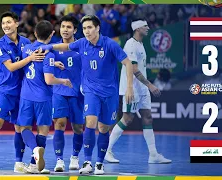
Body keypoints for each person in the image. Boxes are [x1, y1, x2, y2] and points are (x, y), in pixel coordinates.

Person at [40, 15, 134, 175]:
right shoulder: (82, 43)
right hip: (90, 91)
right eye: (84, 28)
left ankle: (99, 163)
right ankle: (88, 161)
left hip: (109, 92)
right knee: (90, 122)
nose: (87, 31)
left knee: (103, 127)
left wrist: (129, 87)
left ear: (97, 28)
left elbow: (127, 63)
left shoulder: (110, 44)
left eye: (89, 27)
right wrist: (49, 48)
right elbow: (65, 47)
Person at [104, 19, 172, 164]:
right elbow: (134, 70)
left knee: (147, 117)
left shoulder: (141, 44)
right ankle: (106, 150)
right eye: (145, 26)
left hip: (142, 89)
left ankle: (153, 155)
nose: (148, 28)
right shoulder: (130, 44)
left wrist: (146, 87)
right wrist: (150, 85)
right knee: (127, 119)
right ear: (137, 29)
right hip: (132, 88)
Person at [0, 11, 45, 173]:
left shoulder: (26, 42)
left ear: (16, 24)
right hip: (5, 91)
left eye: (9, 22)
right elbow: (11, 67)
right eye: (3, 23)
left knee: (20, 127)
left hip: (23, 92)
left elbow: (39, 57)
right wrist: (30, 58)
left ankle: (20, 162)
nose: (5, 26)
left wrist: (55, 65)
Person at [17, 20, 73, 173]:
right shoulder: (49, 53)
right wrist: (63, 80)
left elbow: (32, 64)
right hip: (43, 98)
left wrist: (53, 64)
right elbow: (49, 79)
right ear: (52, 34)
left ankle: (34, 152)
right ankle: (35, 163)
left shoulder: (27, 49)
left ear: (35, 33)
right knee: (43, 131)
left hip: (27, 96)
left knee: (24, 128)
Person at [51, 15, 84, 172]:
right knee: (60, 124)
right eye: (63, 26)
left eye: (68, 27)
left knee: (78, 127)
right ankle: (59, 160)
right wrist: (52, 63)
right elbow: (43, 64)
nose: (64, 30)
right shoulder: (54, 48)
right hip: (59, 92)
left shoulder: (82, 48)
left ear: (75, 30)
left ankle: (75, 157)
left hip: (78, 93)